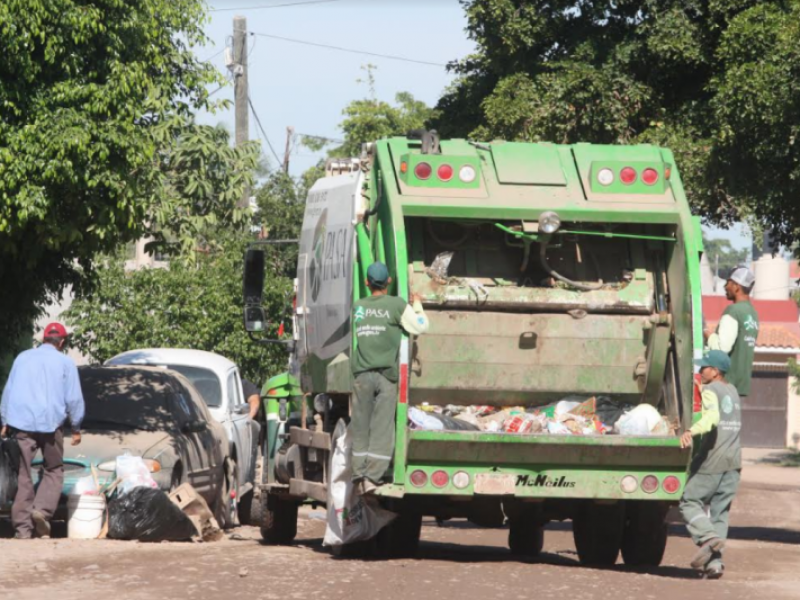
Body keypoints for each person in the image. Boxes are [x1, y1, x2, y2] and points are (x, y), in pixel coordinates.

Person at [0, 323, 84, 539]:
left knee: (23, 473)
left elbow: (8, 390)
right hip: (51, 424)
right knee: (54, 468)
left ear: (43, 339)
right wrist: (76, 427)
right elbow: (73, 398)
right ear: (62, 342)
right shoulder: (66, 362)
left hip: (21, 424)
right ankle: (42, 510)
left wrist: (4, 420)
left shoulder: (22, 358)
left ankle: (22, 529)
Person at [350, 262, 429, 495]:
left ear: (366, 283)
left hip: (362, 375)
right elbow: (420, 327)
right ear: (389, 282)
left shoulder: (358, 307)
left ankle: (357, 474)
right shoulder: (396, 305)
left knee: (361, 425)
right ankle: (372, 478)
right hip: (386, 376)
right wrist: (418, 304)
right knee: (382, 427)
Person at [679, 350, 742, 579]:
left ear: (715, 372)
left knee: (688, 501)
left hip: (713, 460)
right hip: (734, 463)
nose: (700, 370)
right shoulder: (732, 390)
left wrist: (690, 431)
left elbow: (713, 418)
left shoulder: (710, 390)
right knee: (720, 513)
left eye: (704, 367)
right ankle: (715, 564)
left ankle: (706, 537)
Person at [705, 266, 759, 397]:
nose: (724, 287)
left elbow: (722, 348)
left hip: (724, 385)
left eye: (727, 282)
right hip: (739, 386)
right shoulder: (752, 313)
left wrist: (707, 334)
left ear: (736, 286)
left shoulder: (733, 311)